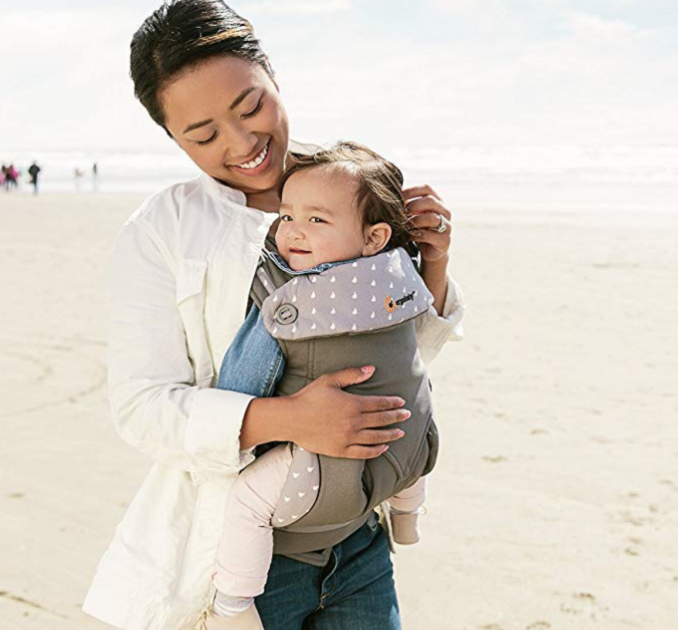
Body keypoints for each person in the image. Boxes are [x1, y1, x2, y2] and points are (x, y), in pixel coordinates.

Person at [82, 3, 463, 630]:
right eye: (203, 135)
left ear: (273, 77)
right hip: (241, 555)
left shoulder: (349, 186)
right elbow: (141, 406)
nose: (240, 144)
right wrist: (289, 420)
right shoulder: (163, 230)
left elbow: (402, 355)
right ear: (173, 138)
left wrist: (434, 262)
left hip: (358, 537)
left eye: (250, 107)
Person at [207, 142, 438, 630]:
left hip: (319, 479)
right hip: (406, 452)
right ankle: (408, 519)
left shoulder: (293, 295)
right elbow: (421, 337)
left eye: (316, 220)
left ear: (374, 237)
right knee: (414, 413)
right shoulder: (399, 276)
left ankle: (231, 603)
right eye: (286, 216)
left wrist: (237, 418)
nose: (293, 231)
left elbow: (243, 377)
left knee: (248, 500)